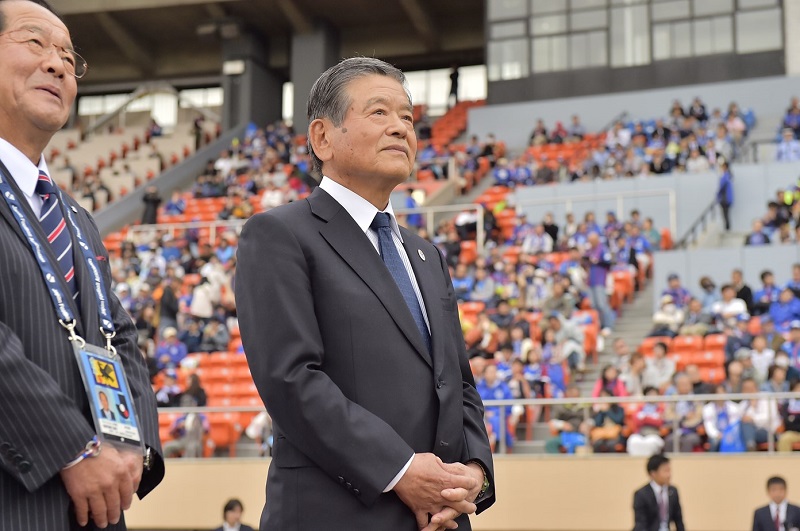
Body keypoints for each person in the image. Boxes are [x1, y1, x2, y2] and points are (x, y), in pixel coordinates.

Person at [235, 57, 494, 531]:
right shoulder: (279, 234)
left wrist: (474, 473)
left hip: (440, 518)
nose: (400, 128)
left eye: (407, 118)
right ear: (322, 138)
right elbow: (291, 379)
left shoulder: (426, 256)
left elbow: (459, 383)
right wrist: (400, 470)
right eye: (379, 113)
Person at [0, 2, 163, 528]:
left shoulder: (75, 217)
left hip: (95, 507)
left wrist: (133, 446)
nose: (58, 65)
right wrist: (71, 447)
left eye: (69, 57)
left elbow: (119, 335)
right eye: (35, 43)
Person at [632, 454, 685, 531]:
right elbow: (641, 523)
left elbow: (678, 520)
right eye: (665, 471)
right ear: (653, 473)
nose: (669, 475)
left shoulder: (673, 491)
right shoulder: (641, 494)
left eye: (669, 470)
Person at [717, 161, 733, 231]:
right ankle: (727, 227)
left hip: (725, 198)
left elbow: (722, 186)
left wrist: (718, 194)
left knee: (725, 214)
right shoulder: (728, 176)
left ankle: (727, 228)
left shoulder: (726, 176)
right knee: (725, 214)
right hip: (726, 198)